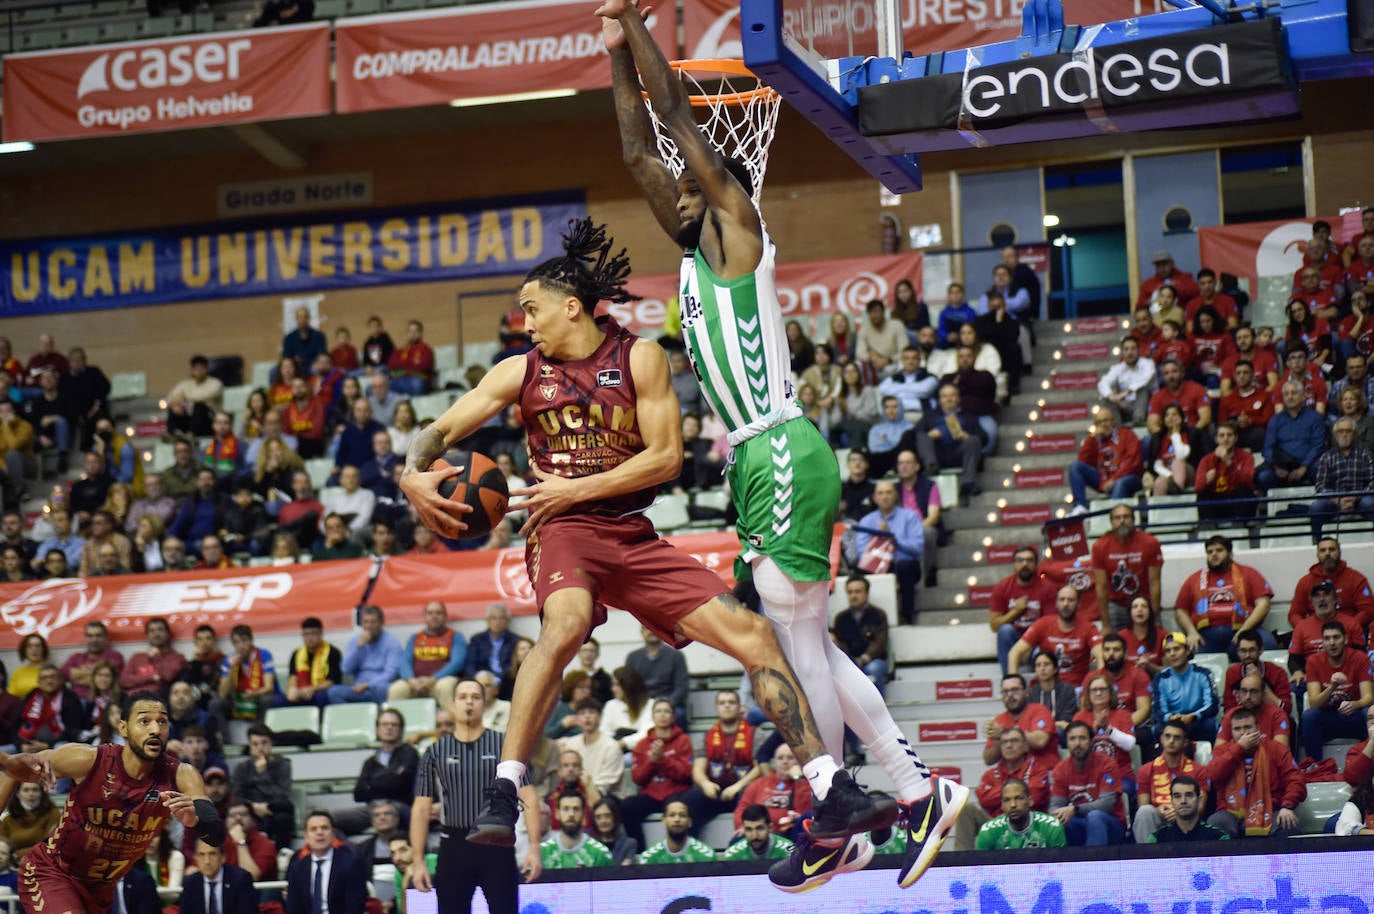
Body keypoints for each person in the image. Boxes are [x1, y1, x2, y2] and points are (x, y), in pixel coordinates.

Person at [399, 215, 899, 889]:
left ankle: (829, 789)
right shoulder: (520, 371)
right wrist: (410, 473)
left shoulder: (639, 358)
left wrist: (578, 484)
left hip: (628, 532)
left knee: (755, 636)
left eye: (532, 308)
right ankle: (502, 794)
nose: (525, 322)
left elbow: (664, 459)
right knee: (568, 624)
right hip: (564, 530)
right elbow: (442, 428)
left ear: (569, 305)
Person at [6, 690, 225, 914]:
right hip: (52, 873)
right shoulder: (88, 759)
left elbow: (216, 834)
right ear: (123, 728)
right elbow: (10, 769)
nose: (155, 729)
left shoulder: (181, 774)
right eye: (144, 721)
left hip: (100, 891)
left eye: (162, 722)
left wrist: (195, 820)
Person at [408, 679, 540, 914]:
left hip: (497, 843)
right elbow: (421, 808)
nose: (469, 702)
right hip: (454, 845)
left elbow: (528, 795)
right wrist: (417, 860)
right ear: (452, 705)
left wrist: (534, 847)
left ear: (484, 704)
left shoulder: (503, 744)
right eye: (463, 697)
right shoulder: (435, 751)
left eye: (475, 697)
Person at [1203, 707, 1305, 838]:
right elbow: (1212, 774)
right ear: (1231, 731)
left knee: (1288, 824)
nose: (1243, 733)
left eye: (1248, 727)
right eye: (1237, 729)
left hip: (1269, 809)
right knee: (1216, 823)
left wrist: (1287, 806)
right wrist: (1238, 749)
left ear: (1258, 728)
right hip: (1230, 812)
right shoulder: (1222, 751)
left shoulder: (1276, 749)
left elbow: (1296, 779)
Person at [1172, 534, 1276, 655]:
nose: (1214, 554)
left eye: (1219, 550)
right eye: (1210, 552)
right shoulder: (1195, 578)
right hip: (1206, 636)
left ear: (1230, 553)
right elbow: (1180, 610)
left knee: (1268, 643)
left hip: (1244, 630)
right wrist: (1191, 632)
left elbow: (1264, 604)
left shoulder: (1248, 573)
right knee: (1182, 650)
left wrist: (1244, 630)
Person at [679, 690, 759, 833]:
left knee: (749, 794)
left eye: (731, 702)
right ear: (717, 709)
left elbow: (760, 768)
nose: (727, 706)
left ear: (740, 708)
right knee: (690, 799)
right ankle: (691, 845)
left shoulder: (755, 733)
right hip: (715, 791)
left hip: (741, 789)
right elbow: (697, 769)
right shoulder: (707, 736)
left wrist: (737, 787)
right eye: (722, 703)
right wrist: (705, 784)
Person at [619, 698, 694, 850]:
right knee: (627, 807)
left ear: (673, 716)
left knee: (679, 809)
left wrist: (663, 759)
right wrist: (651, 761)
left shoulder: (683, 740)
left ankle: (678, 850)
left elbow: (686, 773)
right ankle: (639, 852)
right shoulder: (642, 744)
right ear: (652, 717)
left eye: (666, 711)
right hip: (651, 795)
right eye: (658, 711)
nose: (662, 715)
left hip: (676, 793)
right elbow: (638, 778)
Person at [853, 480, 925, 624]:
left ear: (895, 495)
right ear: (875, 498)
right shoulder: (867, 520)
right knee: (859, 571)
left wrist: (892, 537)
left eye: (888, 492)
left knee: (906, 568)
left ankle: (907, 615)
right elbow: (861, 552)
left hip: (903, 563)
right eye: (880, 493)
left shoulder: (909, 517)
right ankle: (870, 620)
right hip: (876, 563)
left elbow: (918, 548)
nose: (884, 497)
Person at [1301, 620, 1374, 762]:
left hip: (1355, 717)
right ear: (1322, 642)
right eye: (1327, 639)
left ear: (1345, 639)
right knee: (1309, 716)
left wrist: (1354, 705)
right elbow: (1314, 703)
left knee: (1369, 714)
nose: (1332, 643)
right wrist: (1332, 686)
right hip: (1329, 718)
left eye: (1336, 637)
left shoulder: (1360, 659)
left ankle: (1369, 766)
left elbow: (1369, 698)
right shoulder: (1313, 661)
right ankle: (1315, 766)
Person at [1006, 586, 1103, 689]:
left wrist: (1100, 684)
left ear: (1078, 604)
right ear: (1056, 604)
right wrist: (1014, 685)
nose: (1066, 604)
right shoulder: (1043, 624)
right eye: (1062, 600)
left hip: (1076, 689)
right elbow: (1014, 652)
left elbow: (1101, 655)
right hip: (1046, 687)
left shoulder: (1088, 627)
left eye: (1071, 600)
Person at [1048, 721, 1126, 846]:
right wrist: (1061, 815)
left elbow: (1107, 805)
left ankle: (1094, 863)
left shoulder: (1107, 764)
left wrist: (1075, 809)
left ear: (1091, 741)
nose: (1077, 744)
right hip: (1078, 825)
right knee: (1057, 822)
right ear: (1067, 743)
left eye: (1082, 738)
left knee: (1095, 817)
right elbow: (1055, 807)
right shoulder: (1060, 769)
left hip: (1111, 824)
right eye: (1072, 739)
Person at [1090, 503, 1162, 633]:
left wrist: (1155, 618)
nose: (1122, 521)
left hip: (1144, 601)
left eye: (1126, 517)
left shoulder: (1150, 543)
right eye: (1117, 518)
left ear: (1133, 520)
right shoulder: (1099, 546)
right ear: (1111, 522)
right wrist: (1105, 625)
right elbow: (1101, 587)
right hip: (1116, 605)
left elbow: (1155, 583)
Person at [1131, 720, 1206, 843]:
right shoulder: (1145, 770)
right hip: (1159, 818)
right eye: (1167, 736)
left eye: (1177, 737)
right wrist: (1158, 810)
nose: (1171, 741)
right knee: (1145, 812)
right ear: (1161, 739)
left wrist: (1179, 812)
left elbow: (1200, 807)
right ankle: (1148, 858)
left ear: (1185, 742)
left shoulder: (1198, 770)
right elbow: (1143, 804)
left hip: (1188, 817)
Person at [988, 547, 1060, 674]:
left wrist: (1028, 645)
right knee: (1005, 631)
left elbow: (1050, 625)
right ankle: (1009, 682)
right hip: (1014, 639)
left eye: (1029, 560)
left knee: (1047, 645)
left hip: (1038, 641)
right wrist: (1016, 611)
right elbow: (994, 625)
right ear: (1014, 564)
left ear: (1036, 564)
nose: (1024, 564)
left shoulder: (1048, 587)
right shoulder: (1002, 587)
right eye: (1020, 560)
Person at [283, 810, 369, 914]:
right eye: (313, 829)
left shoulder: (351, 864)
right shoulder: (297, 868)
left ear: (333, 833)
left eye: (324, 828)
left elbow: (355, 907)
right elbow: (293, 908)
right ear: (306, 836)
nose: (320, 833)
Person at [389, 600, 467, 709]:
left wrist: (433, 679)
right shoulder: (415, 637)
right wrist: (411, 680)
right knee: (397, 688)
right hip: (415, 683)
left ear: (445, 616)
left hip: (439, 682)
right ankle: (393, 724)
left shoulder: (455, 636)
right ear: (425, 617)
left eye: (438, 613)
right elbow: (405, 661)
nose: (434, 616)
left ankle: (453, 723)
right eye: (430, 613)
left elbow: (457, 663)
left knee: (445, 686)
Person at [911, 384, 985, 498]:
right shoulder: (929, 416)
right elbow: (915, 435)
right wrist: (930, 435)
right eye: (945, 396)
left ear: (958, 399)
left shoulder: (969, 416)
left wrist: (967, 437)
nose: (949, 399)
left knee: (973, 441)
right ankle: (931, 469)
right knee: (922, 436)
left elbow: (984, 437)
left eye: (952, 395)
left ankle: (967, 483)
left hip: (959, 452)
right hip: (936, 454)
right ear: (940, 400)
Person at [230, 724, 294, 848]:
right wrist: (254, 806)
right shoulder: (242, 768)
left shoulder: (283, 765)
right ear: (250, 746)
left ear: (271, 744)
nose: (260, 748)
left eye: (264, 743)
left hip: (274, 809)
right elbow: (236, 796)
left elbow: (284, 796)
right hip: (249, 809)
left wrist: (263, 775)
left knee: (284, 814)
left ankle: (283, 854)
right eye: (255, 744)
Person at [1289, 538, 1374, 630]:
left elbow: (1368, 611)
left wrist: (1348, 627)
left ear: (1339, 552)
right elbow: (1294, 614)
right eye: (1323, 550)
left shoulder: (1356, 578)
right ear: (1317, 555)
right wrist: (1307, 630)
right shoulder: (1305, 582)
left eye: (1332, 549)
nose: (1327, 553)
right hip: (1314, 634)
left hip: (1349, 632)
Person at [1310, 416, 1374, 538]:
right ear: (1335, 435)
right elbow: (1320, 486)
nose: (1344, 435)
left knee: (1371, 504)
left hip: (1360, 499)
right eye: (1340, 431)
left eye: (1348, 431)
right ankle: (1318, 545)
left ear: (1355, 434)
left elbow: (1372, 482)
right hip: (1334, 501)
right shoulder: (1327, 457)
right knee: (1316, 507)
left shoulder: (1366, 455)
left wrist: (1355, 498)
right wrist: (1338, 500)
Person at [1258, 380, 1328, 490]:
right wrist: (1277, 467)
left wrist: (1303, 467)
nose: (1290, 397)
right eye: (1286, 394)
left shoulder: (1315, 418)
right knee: (1264, 477)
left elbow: (1317, 446)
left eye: (1294, 393)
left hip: (1308, 465)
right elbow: (1268, 448)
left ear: (1303, 396)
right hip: (1280, 465)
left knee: (1320, 470)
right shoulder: (1275, 419)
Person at [327, 605, 403, 705]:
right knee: (334, 692)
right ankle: (352, 718)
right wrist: (358, 647)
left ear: (381, 623)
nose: (369, 626)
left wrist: (368, 685)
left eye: (373, 622)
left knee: (383, 688)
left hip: (379, 688)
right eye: (366, 622)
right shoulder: (355, 641)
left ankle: (381, 718)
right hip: (358, 689)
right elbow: (345, 669)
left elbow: (391, 673)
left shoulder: (392, 642)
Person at [982, 674, 1059, 772]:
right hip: (1011, 777)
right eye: (1005, 692)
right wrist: (999, 741)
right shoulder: (999, 720)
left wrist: (1003, 733)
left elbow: (1040, 741)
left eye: (1015, 690)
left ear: (1026, 692)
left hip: (1043, 773)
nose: (1010, 695)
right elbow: (988, 759)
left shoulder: (1039, 710)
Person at [1151, 633, 1220, 742]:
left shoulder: (1203, 674)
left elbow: (1213, 705)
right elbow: (1158, 709)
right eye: (1168, 651)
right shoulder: (1161, 678)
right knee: (1158, 728)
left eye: (1176, 649)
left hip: (1197, 720)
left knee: (1210, 724)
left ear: (1187, 651)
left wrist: (1194, 716)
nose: (1172, 654)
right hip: (1172, 722)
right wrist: (1170, 718)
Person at [832, 576, 890, 690]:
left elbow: (880, 643)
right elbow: (840, 643)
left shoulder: (878, 615)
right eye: (850, 592)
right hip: (849, 662)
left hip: (873, 660)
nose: (853, 596)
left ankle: (877, 707)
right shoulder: (841, 618)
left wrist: (863, 659)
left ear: (867, 593)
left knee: (874, 669)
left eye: (858, 592)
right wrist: (851, 661)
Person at [974, 779, 1065, 850]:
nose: (1013, 805)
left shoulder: (1051, 827)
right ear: (1002, 805)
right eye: (1007, 800)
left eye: (1019, 798)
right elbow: (981, 871)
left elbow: (1061, 867)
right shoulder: (989, 831)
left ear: (1030, 801)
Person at [1196, 422, 1258, 524]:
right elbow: (1198, 487)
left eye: (1229, 435)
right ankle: (1210, 526)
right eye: (1221, 435)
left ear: (1235, 438)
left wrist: (1228, 462)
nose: (1225, 439)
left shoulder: (1246, 456)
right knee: (1202, 494)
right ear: (1216, 439)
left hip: (1237, 502)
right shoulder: (1206, 460)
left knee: (1244, 491)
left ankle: (1240, 524)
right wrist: (1206, 480)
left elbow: (1247, 481)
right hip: (1217, 503)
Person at [625, 627, 689, 725]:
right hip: (641, 704)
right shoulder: (632, 657)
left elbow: (681, 688)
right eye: (646, 628)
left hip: (669, 703)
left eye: (654, 627)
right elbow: (628, 687)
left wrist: (664, 705)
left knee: (679, 714)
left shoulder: (676, 656)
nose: (651, 631)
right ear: (642, 633)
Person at [215, 625, 279, 721]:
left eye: (244, 640)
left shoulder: (264, 654)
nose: (241, 646)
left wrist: (254, 694)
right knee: (216, 704)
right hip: (238, 698)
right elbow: (223, 693)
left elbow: (269, 687)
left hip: (259, 695)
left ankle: (261, 733)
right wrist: (232, 668)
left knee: (265, 700)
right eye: (236, 642)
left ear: (251, 640)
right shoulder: (229, 660)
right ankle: (225, 736)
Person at [1224, 629, 1293, 716]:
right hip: (1242, 720)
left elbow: (1286, 708)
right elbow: (1228, 708)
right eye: (1243, 651)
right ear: (1237, 652)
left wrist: (1260, 681)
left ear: (1261, 650)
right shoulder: (1232, 672)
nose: (1247, 655)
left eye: (1252, 650)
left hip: (1270, 718)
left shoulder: (1277, 672)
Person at [178, 839, 256, 914]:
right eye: (201, 854)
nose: (207, 861)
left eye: (212, 854)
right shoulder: (190, 883)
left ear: (223, 857)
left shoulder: (241, 879)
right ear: (196, 858)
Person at [539, 792, 614, 870]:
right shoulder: (542, 852)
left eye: (576, 809)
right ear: (557, 813)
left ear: (584, 814)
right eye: (566, 809)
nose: (571, 814)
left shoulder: (600, 853)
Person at [1145, 776, 1229, 843]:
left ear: (1199, 800)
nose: (1183, 801)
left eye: (1189, 795)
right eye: (1177, 796)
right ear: (1172, 801)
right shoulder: (1156, 839)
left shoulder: (1219, 838)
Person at [1217, 672, 1291, 747]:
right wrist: (1239, 748)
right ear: (1238, 694)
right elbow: (1217, 752)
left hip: (1266, 758)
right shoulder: (1231, 715)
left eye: (1254, 692)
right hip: (1237, 758)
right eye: (1244, 691)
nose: (1248, 697)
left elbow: (1280, 751)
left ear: (1264, 695)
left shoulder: (1277, 715)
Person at [120, 617, 187, 697]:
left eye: (160, 630)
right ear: (147, 636)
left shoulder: (177, 658)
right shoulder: (137, 657)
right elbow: (123, 681)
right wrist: (150, 678)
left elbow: (168, 677)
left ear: (168, 634)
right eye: (152, 631)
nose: (156, 634)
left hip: (157, 701)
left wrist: (157, 657)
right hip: (132, 699)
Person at [59, 621, 124, 703]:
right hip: (76, 703)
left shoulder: (114, 657)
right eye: (90, 636)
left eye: (98, 636)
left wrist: (78, 675)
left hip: (102, 703)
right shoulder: (76, 657)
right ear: (85, 638)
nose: (94, 640)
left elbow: (113, 682)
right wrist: (96, 676)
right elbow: (61, 675)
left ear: (106, 638)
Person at [636, 800, 717, 864]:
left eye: (682, 815)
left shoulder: (705, 855)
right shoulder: (650, 858)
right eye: (672, 815)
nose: (677, 819)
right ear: (664, 821)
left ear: (690, 822)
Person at [285, 616, 341, 708]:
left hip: (320, 691)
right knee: (280, 700)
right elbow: (293, 676)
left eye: (313, 634)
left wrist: (312, 689)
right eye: (306, 634)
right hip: (301, 690)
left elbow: (332, 681)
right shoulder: (297, 653)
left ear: (321, 634)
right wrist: (292, 689)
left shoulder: (332, 652)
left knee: (321, 697)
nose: (310, 638)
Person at [167, 356, 224, 440]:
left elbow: (203, 397)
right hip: (190, 418)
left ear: (207, 369)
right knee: (174, 408)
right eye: (196, 369)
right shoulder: (186, 384)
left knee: (199, 406)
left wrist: (185, 398)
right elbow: (171, 397)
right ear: (192, 370)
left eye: (202, 369)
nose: (199, 372)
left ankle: (192, 435)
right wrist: (176, 404)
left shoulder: (215, 383)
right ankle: (174, 434)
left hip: (209, 420)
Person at [721, 803, 796, 861]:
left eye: (760, 829)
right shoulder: (733, 854)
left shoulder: (788, 851)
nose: (755, 835)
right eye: (749, 829)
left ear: (770, 828)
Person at [461, 603, 517, 681]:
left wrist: (499, 678)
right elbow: (470, 665)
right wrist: (477, 678)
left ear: (508, 621)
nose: (498, 622)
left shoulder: (516, 640)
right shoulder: (477, 640)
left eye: (502, 618)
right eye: (494, 618)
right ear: (487, 620)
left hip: (506, 680)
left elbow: (513, 667)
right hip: (482, 679)